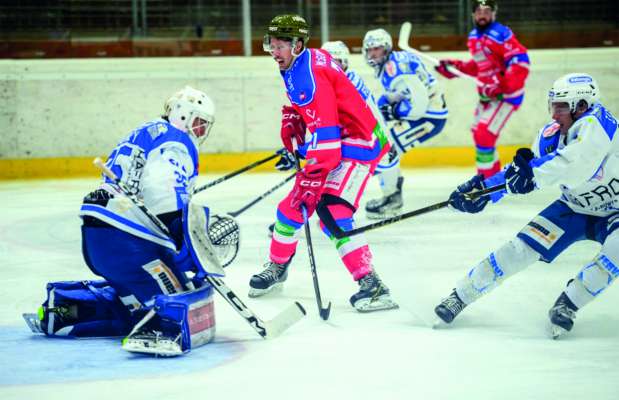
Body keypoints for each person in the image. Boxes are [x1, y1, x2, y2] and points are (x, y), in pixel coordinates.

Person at [23, 86, 237, 356]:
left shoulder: (147, 132)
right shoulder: (175, 142)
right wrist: (184, 237)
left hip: (100, 236)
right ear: (183, 115)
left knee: (132, 304)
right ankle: (159, 331)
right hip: (126, 242)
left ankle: (66, 311)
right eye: (199, 122)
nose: (201, 131)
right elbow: (164, 195)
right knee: (179, 301)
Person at [434, 73, 619, 339]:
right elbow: (522, 170)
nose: (554, 114)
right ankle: (460, 295)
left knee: (616, 251)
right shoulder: (550, 134)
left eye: (561, 107)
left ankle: (569, 303)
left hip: (615, 210)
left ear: (582, 105)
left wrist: (529, 176)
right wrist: (484, 192)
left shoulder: (599, 124)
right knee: (519, 249)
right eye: (553, 105)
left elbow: (576, 166)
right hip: (574, 207)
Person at [249, 14, 398, 313]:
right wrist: (294, 115)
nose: (274, 52)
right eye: (272, 45)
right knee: (290, 209)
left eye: (280, 46)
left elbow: (327, 137)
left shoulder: (310, 73)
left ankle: (373, 284)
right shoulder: (297, 61)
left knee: (332, 212)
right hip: (339, 138)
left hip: (359, 142)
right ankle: (278, 267)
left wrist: (313, 176)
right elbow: (314, 109)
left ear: (298, 44)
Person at [435, 0, 530, 178]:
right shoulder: (474, 37)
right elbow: (479, 66)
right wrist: (454, 68)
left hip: (505, 96)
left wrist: (501, 84)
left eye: (487, 11)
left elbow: (521, 62)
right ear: (473, 15)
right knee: (480, 135)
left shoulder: (501, 34)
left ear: (494, 13)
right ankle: (493, 178)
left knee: (484, 133)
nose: (482, 14)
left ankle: (488, 181)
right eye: (478, 11)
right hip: (487, 96)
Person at [362, 28, 448, 219]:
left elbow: (418, 105)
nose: (372, 54)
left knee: (386, 150)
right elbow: (402, 95)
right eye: (369, 50)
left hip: (428, 117)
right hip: (426, 113)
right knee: (386, 147)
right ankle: (392, 195)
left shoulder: (394, 68)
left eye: (377, 49)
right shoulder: (393, 63)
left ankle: (392, 199)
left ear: (386, 49)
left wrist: (395, 111)